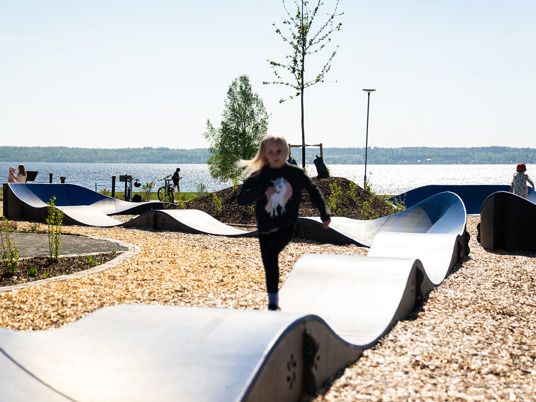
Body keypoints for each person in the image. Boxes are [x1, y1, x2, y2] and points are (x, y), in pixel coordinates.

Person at [237, 134, 331, 311]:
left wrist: (324, 213)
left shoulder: (294, 173)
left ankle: (273, 305)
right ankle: (272, 300)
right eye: (270, 152)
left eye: (279, 151)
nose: (275, 155)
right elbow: (241, 199)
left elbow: (313, 190)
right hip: (265, 228)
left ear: (286, 152)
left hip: (286, 226)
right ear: (264, 154)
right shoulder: (259, 175)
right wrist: (262, 190)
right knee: (268, 263)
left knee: (271, 255)